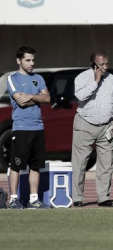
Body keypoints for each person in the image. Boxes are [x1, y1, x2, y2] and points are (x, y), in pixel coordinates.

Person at [71, 52, 113, 207]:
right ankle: (78, 198)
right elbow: (80, 96)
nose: (105, 67)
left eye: (107, 64)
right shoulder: (82, 78)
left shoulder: (112, 79)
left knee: (106, 164)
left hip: (106, 127)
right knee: (80, 163)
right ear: (93, 65)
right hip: (85, 124)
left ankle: (104, 197)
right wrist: (95, 81)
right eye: (101, 64)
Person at [7, 46, 51, 209]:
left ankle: (34, 199)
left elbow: (47, 98)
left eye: (33, 60)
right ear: (19, 61)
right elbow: (20, 101)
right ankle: (13, 199)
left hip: (38, 128)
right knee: (16, 165)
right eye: (28, 60)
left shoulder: (38, 78)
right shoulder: (13, 78)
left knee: (35, 165)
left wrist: (32, 96)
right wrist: (38, 98)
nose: (32, 63)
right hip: (21, 127)